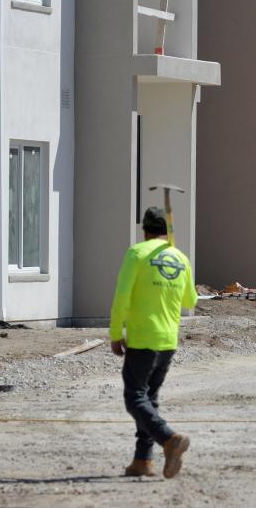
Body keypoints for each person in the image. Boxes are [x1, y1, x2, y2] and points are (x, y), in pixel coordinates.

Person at [109, 204, 197, 478]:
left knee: (135, 398)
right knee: (150, 399)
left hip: (143, 338)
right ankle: (143, 461)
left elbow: (122, 296)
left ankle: (169, 438)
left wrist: (114, 333)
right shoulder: (180, 257)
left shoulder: (136, 253)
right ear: (166, 231)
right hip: (168, 340)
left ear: (145, 229)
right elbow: (190, 301)